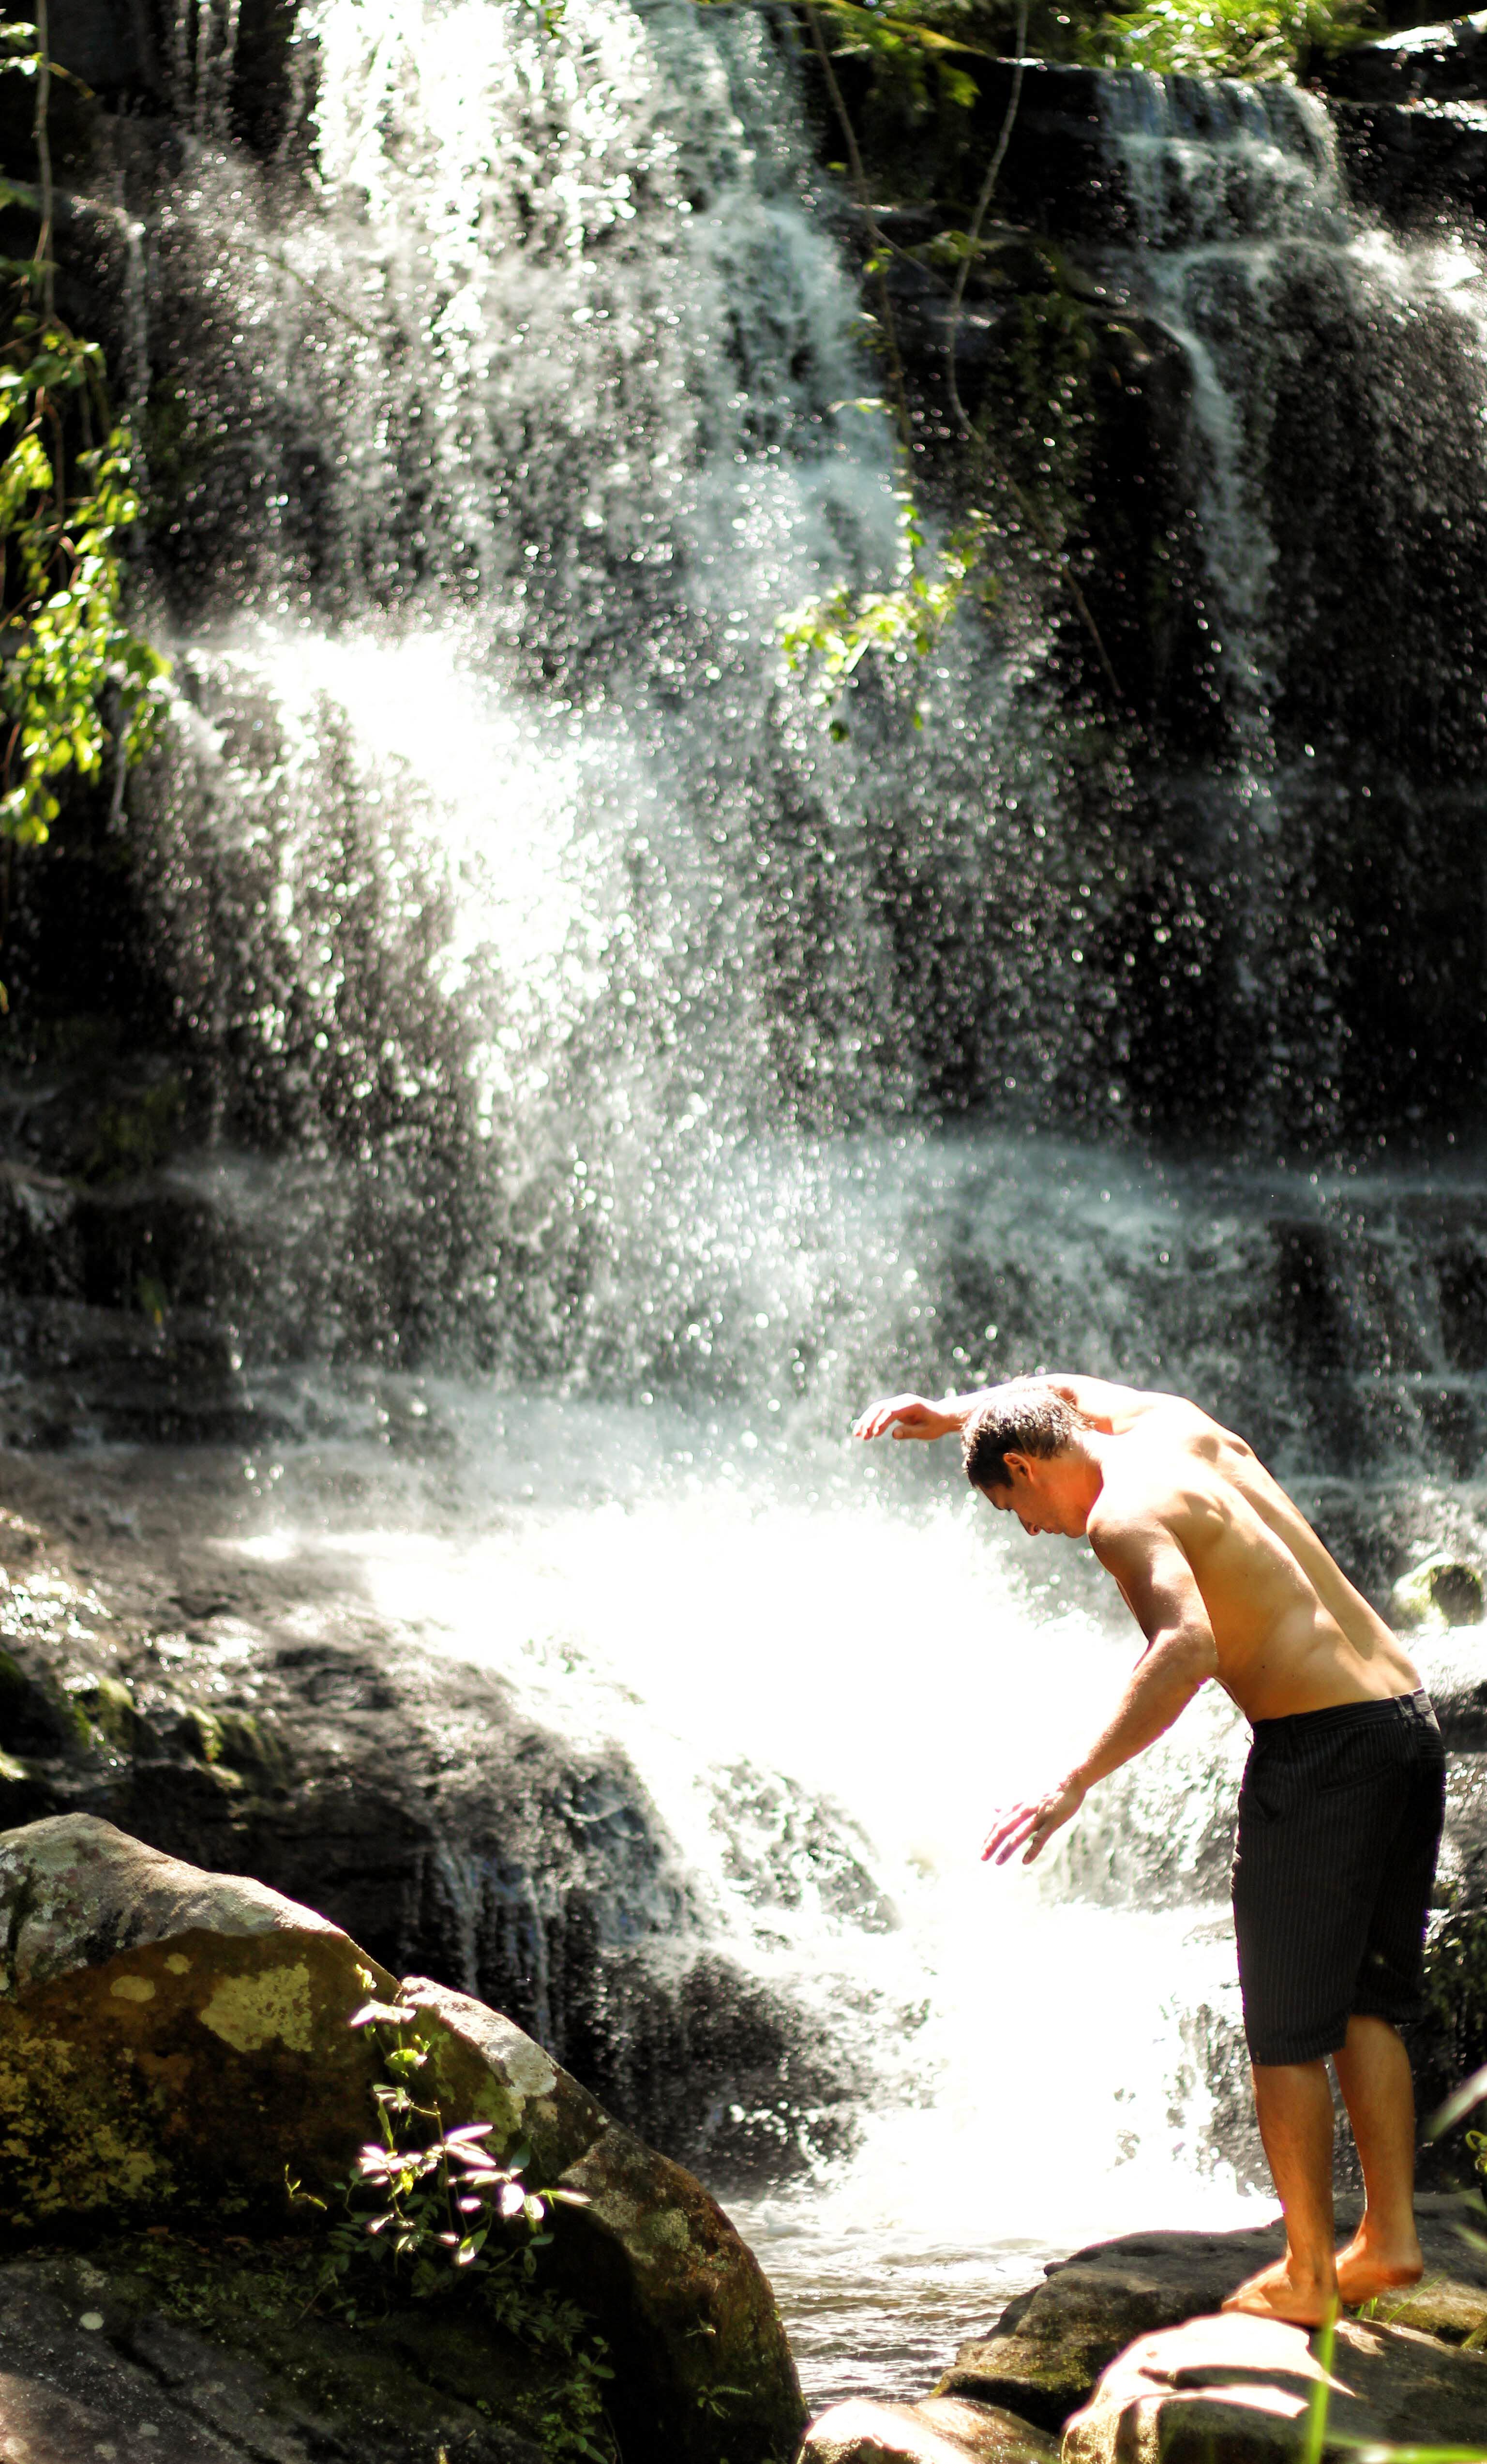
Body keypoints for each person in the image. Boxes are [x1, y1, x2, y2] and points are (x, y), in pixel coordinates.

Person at [853, 1370, 1445, 2325]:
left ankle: (1307, 2268)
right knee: (1366, 2003)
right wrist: (956, 1412)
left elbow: (1186, 1646)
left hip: (1324, 1750)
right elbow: (1055, 1382)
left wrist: (1071, 1780)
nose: (1030, 1530)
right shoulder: (1175, 1430)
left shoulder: (1120, 1519)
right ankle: (1389, 2238)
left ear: (1023, 1465)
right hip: (1404, 1722)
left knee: (1286, 2026)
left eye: (1016, 1507)